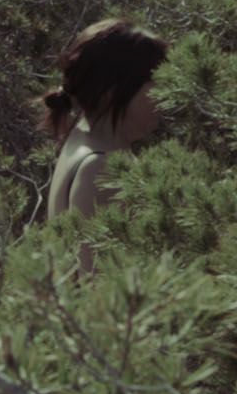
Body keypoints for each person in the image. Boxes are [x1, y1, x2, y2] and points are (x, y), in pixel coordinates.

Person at [39, 18, 169, 274]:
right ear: (112, 90)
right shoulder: (100, 167)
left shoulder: (82, 138)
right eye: (155, 86)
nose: (162, 98)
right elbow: (97, 284)